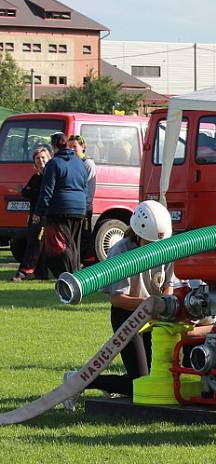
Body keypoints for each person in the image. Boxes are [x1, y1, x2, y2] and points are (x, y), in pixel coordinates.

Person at [62, 201, 176, 410]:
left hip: (156, 315)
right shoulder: (121, 252)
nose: (155, 248)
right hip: (127, 316)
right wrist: (148, 304)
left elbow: (169, 284)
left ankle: (103, 383)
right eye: (149, 242)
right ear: (138, 234)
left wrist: (166, 303)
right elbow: (117, 298)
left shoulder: (166, 247)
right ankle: (77, 381)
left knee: (157, 376)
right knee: (140, 383)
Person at [34, 132, 88, 276]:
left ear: (53, 146)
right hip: (79, 208)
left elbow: (47, 190)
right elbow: (85, 187)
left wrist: (39, 212)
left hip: (61, 208)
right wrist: (85, 207)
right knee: (74, 243)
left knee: (64, 244)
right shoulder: (79, 163)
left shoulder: (54, 163)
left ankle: (70, 275)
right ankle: (77, 273)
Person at [12, 146, 51, 281]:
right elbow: (27, 193)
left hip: (43, 216)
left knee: (35, 244)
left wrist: (39, 214)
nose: (41, 160)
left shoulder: (50, 176)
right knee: (37, 244)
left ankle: (24, 272)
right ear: (34, 162)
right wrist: (22, 190)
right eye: (37, 158)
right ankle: (41, 273)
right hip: (33, 215)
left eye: (43, 157)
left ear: (49, 159)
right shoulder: (35, 177)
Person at [68, 135, 97, 266]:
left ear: (83, 147)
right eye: (70, 147)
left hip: (84, 208)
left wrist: (86, 206)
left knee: (85, 237)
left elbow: (89, 189)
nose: (72, 149)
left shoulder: (88, 164)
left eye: (75, 146)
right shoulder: (71, 163)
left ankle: (89, 263)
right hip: (74, 207)